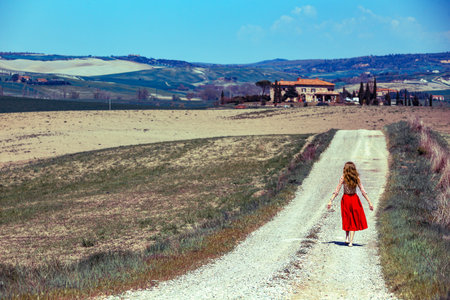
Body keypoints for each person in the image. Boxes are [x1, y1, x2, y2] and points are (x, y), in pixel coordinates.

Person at [327, 161, 374, 247]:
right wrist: (369, 202)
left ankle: (348, 238)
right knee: (352, 218)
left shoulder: (343, 178)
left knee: (347, 218)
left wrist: (331, 200)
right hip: (354, 199)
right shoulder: (355, 178)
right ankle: (350, 240)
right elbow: (363, 191)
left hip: (346, 199)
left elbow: (336, 190)